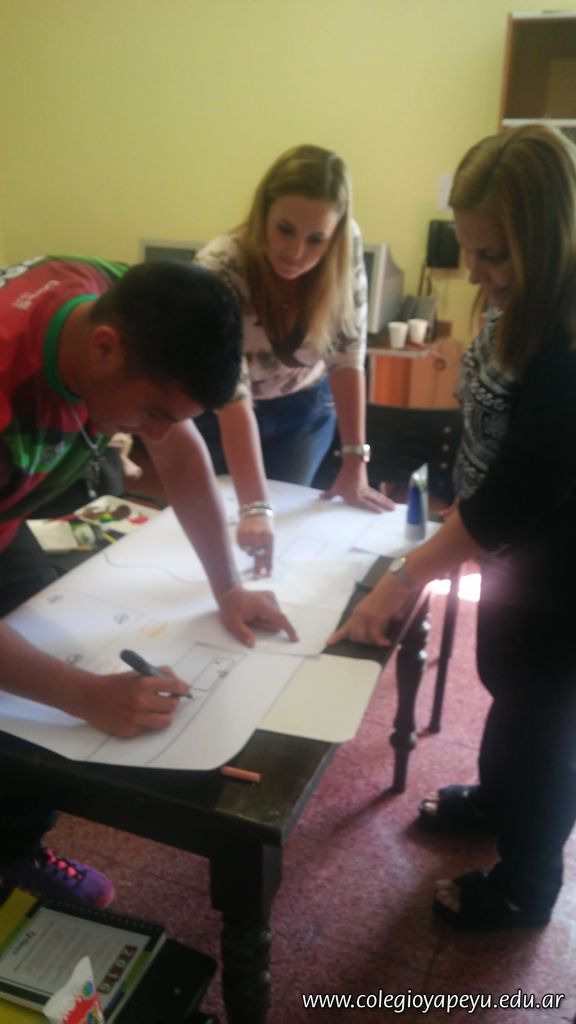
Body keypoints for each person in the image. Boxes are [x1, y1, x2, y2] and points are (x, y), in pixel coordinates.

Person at [328, 124, 576, 931]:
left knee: (549, 721)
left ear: (550, 240)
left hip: (563, 571)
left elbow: (523, 486)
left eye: (493, 254)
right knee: (510, 684)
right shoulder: (525, 300)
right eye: (468, 248)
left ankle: (527, 884)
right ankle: (500, 801)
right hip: (518, 557)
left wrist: (406, 575)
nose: (474, 271)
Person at [0, 254, 297, 908]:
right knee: (36, 692)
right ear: (104, 348)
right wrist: (84, 695)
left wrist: (227, 587)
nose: (158, 433)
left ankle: (15, 847)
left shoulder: (113, 296)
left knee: (35, 647)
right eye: (155, 410)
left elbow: (179, 450)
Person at [195, 144, 393, 577]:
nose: (296, 251)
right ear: (262, 212)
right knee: (219, 532)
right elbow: (231, 396)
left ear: (334, 235)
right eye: (284, 230)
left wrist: (355, 464)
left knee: (281, 537)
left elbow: (347, 355)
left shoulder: (345, 243)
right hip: (223, 417)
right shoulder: (219, 268)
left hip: (304, 411)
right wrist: (254, 506)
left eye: (316, 239)